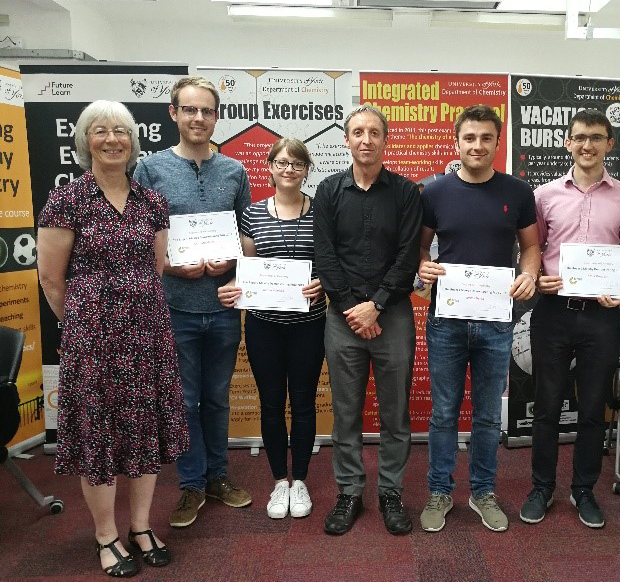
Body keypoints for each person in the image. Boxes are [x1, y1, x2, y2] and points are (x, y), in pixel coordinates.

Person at [37, 100, 189, 577]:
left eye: (120, 131)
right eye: (99, 131)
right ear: (85, 141)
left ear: (133, 140)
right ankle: (106, 536)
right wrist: (83, 324)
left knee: (144, 431)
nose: (111, 139)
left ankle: (141, 527)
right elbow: (50, 279)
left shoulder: (152, 202)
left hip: (148, 334)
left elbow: (157, 266)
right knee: (98, 435)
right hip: (93, 338)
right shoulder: (67, 198)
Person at [133, 76, 252, 528]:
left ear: (216, 116)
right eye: (190, 110)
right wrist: (168, 267)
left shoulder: (234, 171)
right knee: (184, 401)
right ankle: (191, 485)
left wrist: (234, 259)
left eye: (207, 111)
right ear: (174, 114)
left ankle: (218, 477)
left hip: (223, 305)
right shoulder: (151, 170)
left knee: (217, 398)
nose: (198, 118)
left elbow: (246, 233)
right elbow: (140, 237)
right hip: (175, 307)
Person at [417, 104, 541, 533]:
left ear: (496, 142)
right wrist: (422, 267)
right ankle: (439, 491)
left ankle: (483, 491)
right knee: (444, 413)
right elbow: (419, 250)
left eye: (486, 138)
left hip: (495, 321)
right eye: (469, 138)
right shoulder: (433, 193)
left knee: (488, 414)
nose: (477, 145)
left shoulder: (518, 192)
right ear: (457, 141)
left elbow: (531, 248)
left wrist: (529, 275)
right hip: (447, 320)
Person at [520, 109, 620, 530]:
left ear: (610, 143)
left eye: (596, 137)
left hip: (602, 319)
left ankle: (584, 489)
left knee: (593, 408)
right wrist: (537, 280)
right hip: (553, 313)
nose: (586, 145)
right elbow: (530, 251)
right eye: (579, 137)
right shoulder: (544, 195)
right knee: (547, 407)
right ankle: (541, 488)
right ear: (567, 143)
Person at [314, 105, 421, 536]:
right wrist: (351, 309)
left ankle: (391, 493)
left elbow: (407, 256)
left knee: (395, 414)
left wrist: (375, 305)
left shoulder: (406, 192)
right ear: (346, 139)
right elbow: (326, 256)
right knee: (346, 414)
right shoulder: (328, 190)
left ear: (385, 140)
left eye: (374, 132)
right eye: (357, 132)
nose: (366, 140)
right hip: (342, 318)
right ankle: (350, 493)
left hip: (391, 315)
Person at [217, 138, 325, 520]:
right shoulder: (251, 214)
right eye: (281, 163)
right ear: (269, 167)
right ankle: (280, 480)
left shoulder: (322, 212)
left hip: (309, 325)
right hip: (264, 326)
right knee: (272, 404)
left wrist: (323, 282)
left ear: (306, 169)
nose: (289, 170)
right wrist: (237, 287)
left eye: (297, 164)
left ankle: (302, 481)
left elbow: (331, 263)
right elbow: (248, 268)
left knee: (305, 403)